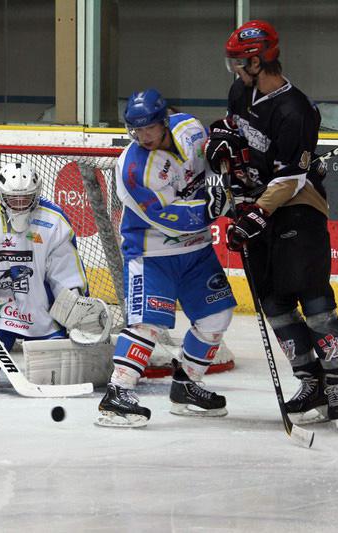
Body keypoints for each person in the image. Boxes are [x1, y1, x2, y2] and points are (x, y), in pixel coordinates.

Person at [205, 20, 338, 429]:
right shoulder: (242, 91)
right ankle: (310, 383)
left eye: (239, 60)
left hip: (297, 207)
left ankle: (336, 382)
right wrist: (223, 139)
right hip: (258, 207)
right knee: (273, 303)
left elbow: (291, 179)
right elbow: (235, 133)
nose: (233, 67)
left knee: (313, 296)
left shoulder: (296, 110)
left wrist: (257, 213)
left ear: (259, 59)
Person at [96, 88, 237, 427]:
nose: (143, 136)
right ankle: (118, 393)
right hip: (151, 251)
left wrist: (220, 182)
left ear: (163, 121)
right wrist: (212, 207)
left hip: (197, 250)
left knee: (217, 316)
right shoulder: (133, 170)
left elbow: (213, 160)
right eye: (135, 129)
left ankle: (187, 383)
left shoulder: (189, 128)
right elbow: (166, 215)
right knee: (148, 323)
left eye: (149, 128)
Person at [0, 161, 107, 352]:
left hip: (40, 316)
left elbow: (67, 274)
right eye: (12, 198)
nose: (19, 204)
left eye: (25, 198)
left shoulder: (54, 221)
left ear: (36, 194)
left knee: (53, 366)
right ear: (0, 194)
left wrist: (75, 310)